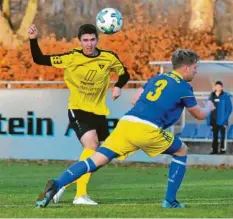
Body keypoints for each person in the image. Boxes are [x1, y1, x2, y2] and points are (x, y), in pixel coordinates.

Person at [35, 49, 215, 209]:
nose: (195, 71)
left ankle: (57, 184)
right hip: (147, 129)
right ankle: (170, 201)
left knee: (95, 161)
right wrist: (209, 106)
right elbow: (199, 114)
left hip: (126, 123)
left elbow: (135, 99)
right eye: (195, 68)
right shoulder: (184, 86)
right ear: (185, 68)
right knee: (182, 150)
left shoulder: (156, 79)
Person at [28, 24, 130, 205]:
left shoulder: (108, 58)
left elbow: (124, 74)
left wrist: (118, 86)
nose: (89, 44)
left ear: (97, 40)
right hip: (78, 108)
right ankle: (80, 195)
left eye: (92, 40)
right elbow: (39, 59)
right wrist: (33, 39)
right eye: (85, 40)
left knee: (100, 158)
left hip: (98, 112)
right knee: (92, 144)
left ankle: (61, 185)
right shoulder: (72, 57)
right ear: (80, 41)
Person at [207, 81, 232, 154]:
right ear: (215, 87)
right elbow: (208, 107)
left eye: (219, 86)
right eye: (216, 86)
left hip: (222, 120)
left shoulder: (225, 96)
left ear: (221, 87)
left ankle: (222, 150)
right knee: (214, 136)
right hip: (213, 119)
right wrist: (208, 119)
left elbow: (229, 108)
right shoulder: (212, 96)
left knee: (223, 136)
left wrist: (225, 119)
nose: (218, 88)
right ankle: (214, 150)